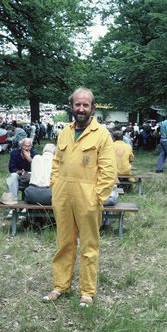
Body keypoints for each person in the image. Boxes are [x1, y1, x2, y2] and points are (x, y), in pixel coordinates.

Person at [43, 87, 117, 307]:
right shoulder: (64, 132)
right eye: (78, 104)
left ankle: (87, 291)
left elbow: (109, 170)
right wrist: (55, 186)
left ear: (93, 107)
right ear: (71, 106)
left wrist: (97, 197)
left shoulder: (102, 134)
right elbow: (56, 162)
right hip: (63, 196)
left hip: (88, 197)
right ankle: (60, 286)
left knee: (88, 245)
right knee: (64, 243)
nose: (81, 108)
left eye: (86, 105)